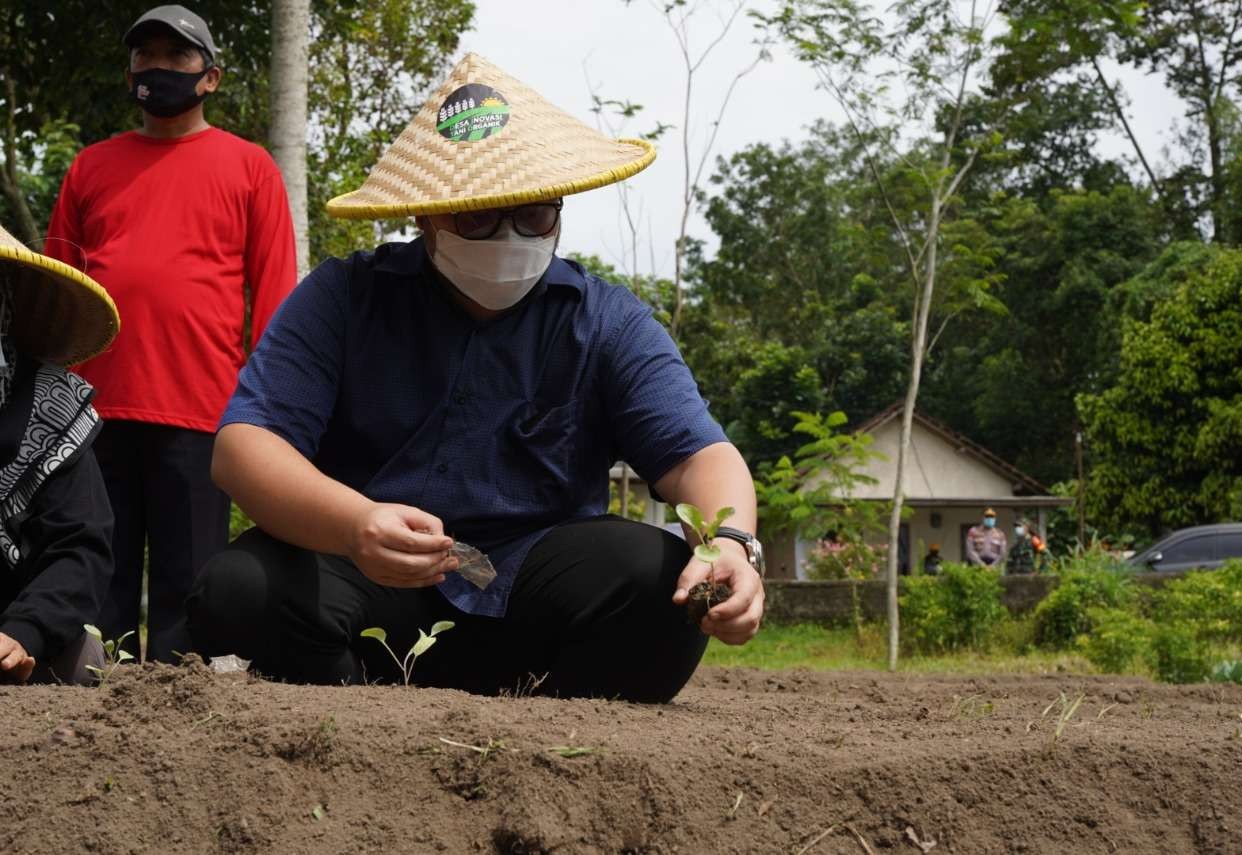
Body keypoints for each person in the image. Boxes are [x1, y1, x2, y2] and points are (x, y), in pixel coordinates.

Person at [187, 53, 764, 703]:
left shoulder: (605, 321)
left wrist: (731, 542)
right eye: (478, 217)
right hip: (369, 578)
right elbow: (245, 447)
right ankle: (359, 718)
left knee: (661, 584)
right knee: (238, 591)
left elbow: (699, 454)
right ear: (425, 215)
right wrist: (354, 524)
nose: (510, 235)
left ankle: (545, 723)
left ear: (560, 212)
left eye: (534, 214)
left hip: (538, 596)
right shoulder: (344, 298)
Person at [44, 6, 297, 663]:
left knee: (192, 587)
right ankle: (92, 714)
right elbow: (54, 293)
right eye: (143, 56)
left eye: (175, 57)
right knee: (100, 579)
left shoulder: (251, 169)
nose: (156, 68)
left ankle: (183, 727)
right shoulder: (89, 168)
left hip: (201, 411)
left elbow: (274, 298)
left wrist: (265, 414)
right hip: (91, 412)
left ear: (209, 77)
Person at [0, 222, 119, 685]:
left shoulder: (52, 409)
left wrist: (23, 632)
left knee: (85, 665)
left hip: (16, 631)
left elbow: (80, 548)